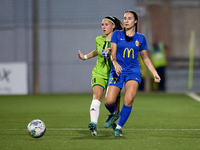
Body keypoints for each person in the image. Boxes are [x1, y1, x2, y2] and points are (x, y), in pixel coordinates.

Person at [104, 10, 161, 136]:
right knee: (109, 101)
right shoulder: (116, 34)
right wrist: (115, 63)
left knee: (129, 99)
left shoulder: (140, 38)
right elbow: (113, 54)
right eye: (124, 18)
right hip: (117, 70)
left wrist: (154, 72)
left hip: (133, 71)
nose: (126, 20)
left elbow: (145, 58)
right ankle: (114, 114)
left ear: (135, 21)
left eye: (129, 18)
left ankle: (119, 127)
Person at [78, 16, 123, 136]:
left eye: (106, 24)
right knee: (97, 96)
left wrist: (113, 50)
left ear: (113, 26)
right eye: (102, 24)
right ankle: (93, 125)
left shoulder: (119, 40)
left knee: (112, 104)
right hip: (99, 72)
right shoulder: (98, 39)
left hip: (114, 74)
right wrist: (85, 57)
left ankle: (114, 118)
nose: (103, 27)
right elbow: (97, 51)